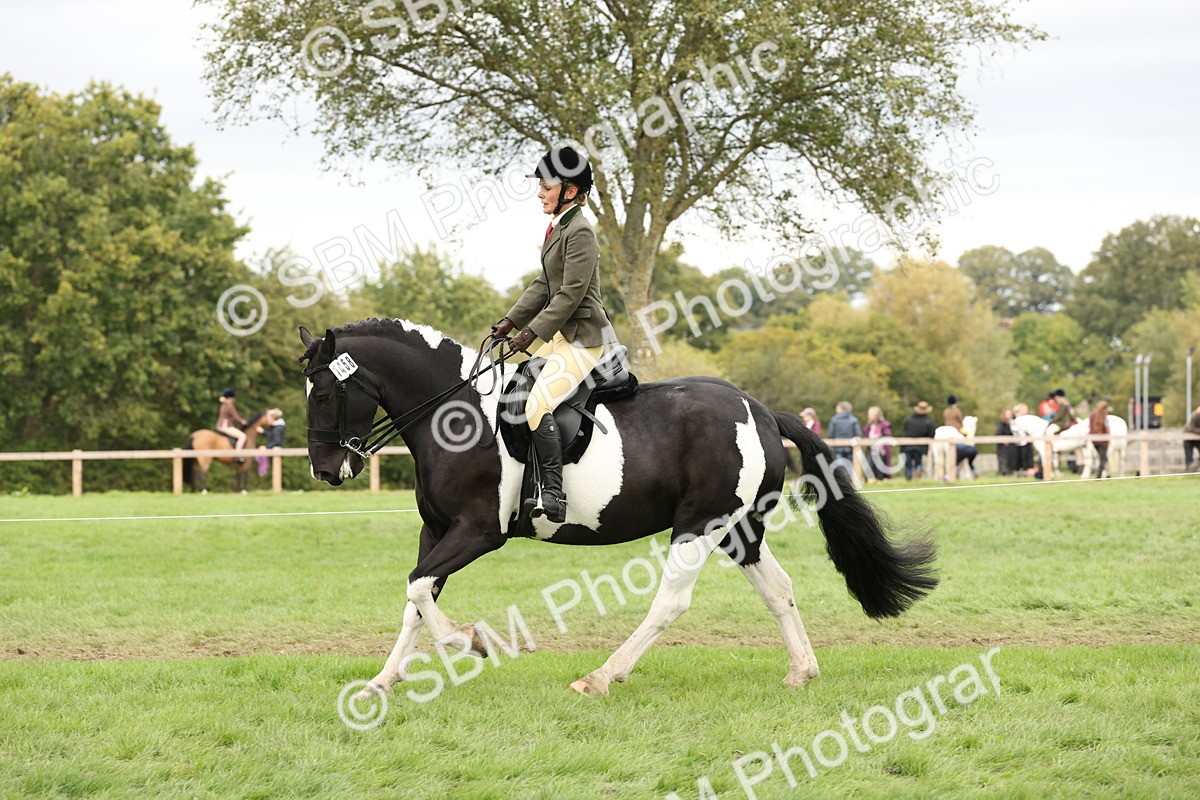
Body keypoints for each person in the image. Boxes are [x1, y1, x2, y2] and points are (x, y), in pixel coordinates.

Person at [490, 146, 618, 524]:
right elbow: (543, 285)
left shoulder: (580, 233)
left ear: (571, 190)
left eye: (546, 185)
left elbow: (569, 294)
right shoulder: (559, 227)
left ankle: (554, 495)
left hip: (585, 339)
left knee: (536, 405)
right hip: (563, 336)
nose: (540, 192)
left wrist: (530, 333)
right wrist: (510, 321)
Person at [902, 401, 936, 480]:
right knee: (918, 462)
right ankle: (917, 478)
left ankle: (908, 479)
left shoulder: (909, 419)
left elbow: (905, 431)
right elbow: (932, 433)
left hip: (907, 445)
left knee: (908, 464)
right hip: (920, 447)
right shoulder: (928, 421)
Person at [827, 401, 862, 468]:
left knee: (839, 468)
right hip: (850, 448)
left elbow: (830, 434)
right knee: (849, 468)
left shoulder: (834, 419)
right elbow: (858, 433)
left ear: (841, 409)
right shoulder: (853, 420)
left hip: (837, 448)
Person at [863, 406, 893, 481]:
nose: (868, 416)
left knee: (880, 468)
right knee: (869, 466)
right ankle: (871, 481)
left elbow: (887, 435)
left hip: (881, 450)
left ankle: (880, 481)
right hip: (871, 449)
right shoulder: (870, 426)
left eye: (870, 414)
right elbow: (866, 433)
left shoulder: (884, 425)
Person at [216, 389, 247, 453]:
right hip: (226, 426)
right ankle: (238, 453)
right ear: (231, 398)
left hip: (219, 425)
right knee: (243, 436)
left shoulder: (223, 405)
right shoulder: (230, 405)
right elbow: (235, 417)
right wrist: (242, 421)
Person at [1012, 403, 1037, 476]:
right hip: (1017, 441)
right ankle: (1019, 470)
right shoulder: (1015, 419)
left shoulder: (1027, 418)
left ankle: (1027, 470)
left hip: (1026, 441)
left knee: (1027, 456)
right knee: (1019, 457)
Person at [1089, 400, 1111, 478]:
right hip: (1102, 440)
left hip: (1094, 440)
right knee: (1103, 458)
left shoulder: (1092, 415)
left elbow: (1090, 427)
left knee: (1104, 457)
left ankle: (1108, 474)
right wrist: (1108, 439)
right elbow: (1107, 428)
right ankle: (1098, 476)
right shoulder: (1103, 416)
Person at [995, 408, 1015, 476]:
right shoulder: (1001, 422)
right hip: (1002, 445)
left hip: (1012, 444)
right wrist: (1004, 440)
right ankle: (1003, 471)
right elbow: (998, 433)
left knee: (1012, 457)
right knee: (1003, 457)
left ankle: (1011, 471)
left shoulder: (1013, 422)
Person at [1184, 405, 1200, 472]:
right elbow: (1191, 428)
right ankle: (1189, 472)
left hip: (1197, 439)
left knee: (1189, 457)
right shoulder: (1194, 416)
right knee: (1189, 457)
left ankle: (1192, 470)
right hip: (1188, 439)